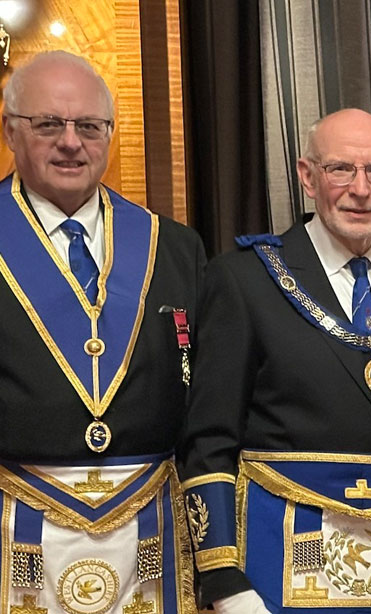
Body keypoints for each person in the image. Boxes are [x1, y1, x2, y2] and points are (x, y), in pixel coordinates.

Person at [178, 108, 371, 614]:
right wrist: (222, 578)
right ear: (307, 176)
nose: (360, 189)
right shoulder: (243, 279)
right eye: (341, 169)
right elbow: (209, 440)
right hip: (282, 564)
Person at [0, 51, 204, 613]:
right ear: (11, 132)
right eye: (49, 124)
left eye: (89, 126)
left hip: (155, 537)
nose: (71, 142)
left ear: (109, 135)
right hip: (12, 536)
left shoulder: (175, 247)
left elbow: (204, 407)